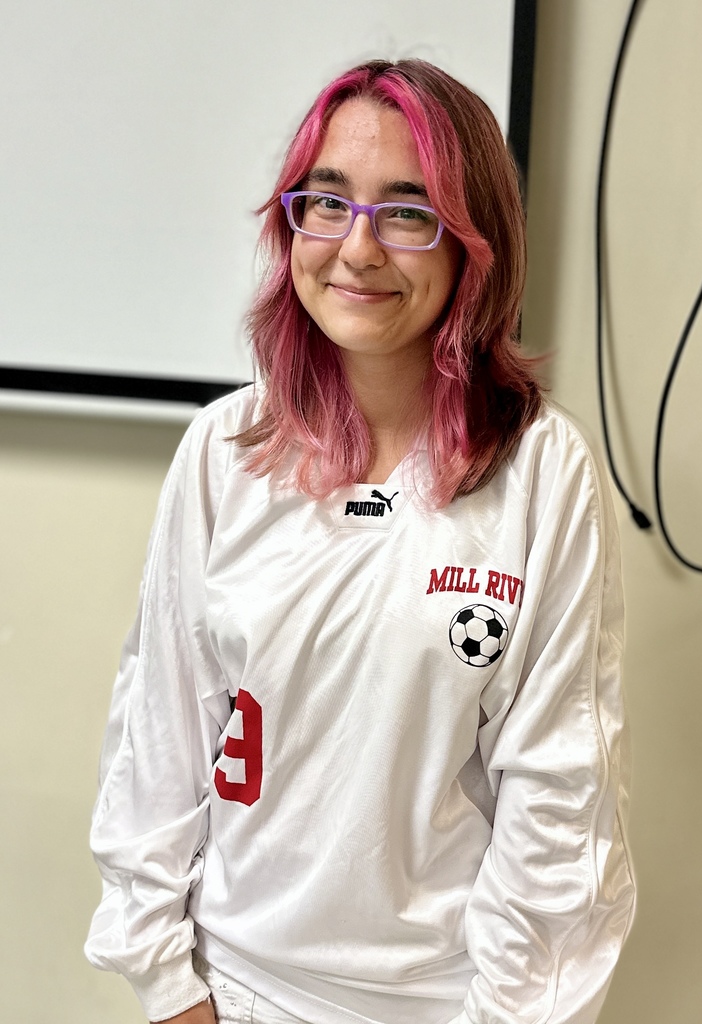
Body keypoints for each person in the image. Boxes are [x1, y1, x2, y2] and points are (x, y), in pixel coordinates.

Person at [85, 59, 635, 1024]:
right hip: (233, 990)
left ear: (475, 245)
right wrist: (173, 991)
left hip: (446, 1004)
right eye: (326, 204)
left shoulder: (543, 474)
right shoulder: (224, 452)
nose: (357, 250)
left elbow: (559, 808)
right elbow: (157, 745)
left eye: (409, 212)